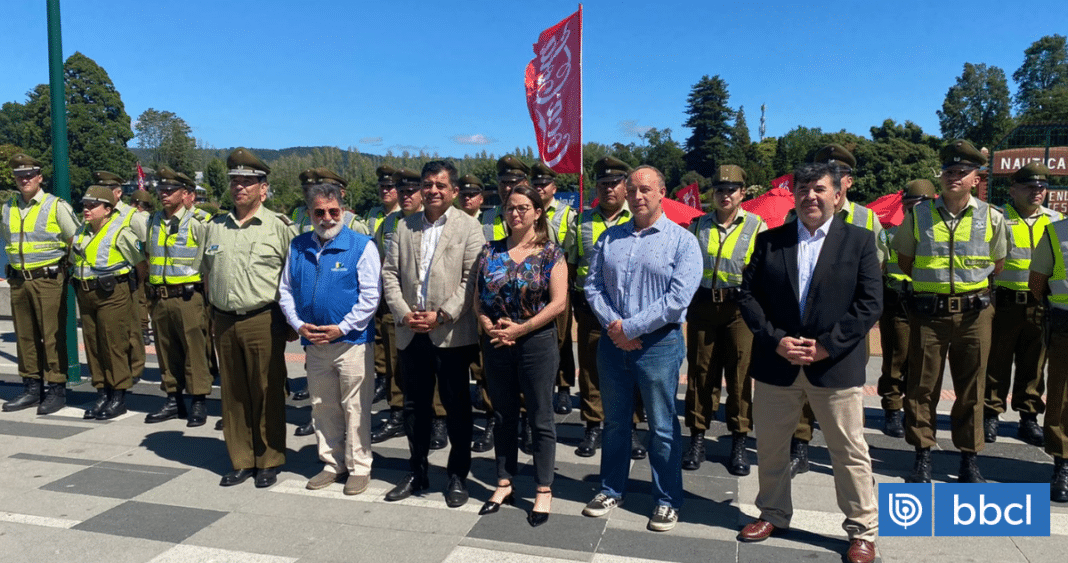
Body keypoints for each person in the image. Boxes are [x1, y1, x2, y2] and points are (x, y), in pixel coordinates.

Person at [735, 162, 881, 563]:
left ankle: (862, 530)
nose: (810, 196)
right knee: (771, 446)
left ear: (837, 194)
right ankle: (773, 513)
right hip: (778, 364)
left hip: (834, 365)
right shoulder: (771, 241)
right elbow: (747, 296)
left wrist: (826, 346)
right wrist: (776, 340)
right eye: (803, 189)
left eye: (819, 189)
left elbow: (870, 304)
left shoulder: (860, 241)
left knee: (849, 450)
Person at [581, 165, 701, 533]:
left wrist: (629, 328)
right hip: (614, 344)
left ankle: (667, 499)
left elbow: (677, 300)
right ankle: (611, 489)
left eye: (645, 189)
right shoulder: (610, 238)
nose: (638, 196)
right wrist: (615, 328)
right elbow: (592, 286)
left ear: (662, 192)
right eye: (631, 189)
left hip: (659, 345)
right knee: (615, 422)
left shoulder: (683, 242)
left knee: (662, 426)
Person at [893, 139, 1006, 484]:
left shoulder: (992, 216)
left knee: (972, 388)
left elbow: (997, 265)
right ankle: (922, 454)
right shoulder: (919, 215)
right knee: (922, 386)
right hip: (930, 313)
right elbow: (905, 261)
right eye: (948, 171)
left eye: (962, 171)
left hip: (975, 313)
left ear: (976, 178)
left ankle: (968, 459)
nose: (953, 176)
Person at [381, 160, 484, 508]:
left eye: (440, 185)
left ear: (453, 190)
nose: (433, 190)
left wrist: (442, 315)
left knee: (456, 408)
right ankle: (417, 470)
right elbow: (390, 274)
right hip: (412, 331)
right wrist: (405, 313)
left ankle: (457, 475)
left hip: (451, 333)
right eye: (428, 184)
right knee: (414, 407)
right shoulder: (404, 226)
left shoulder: (469, 228)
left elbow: (473, 279)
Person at [783, 144, 885, 476]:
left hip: (845, 329)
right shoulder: (795, 214)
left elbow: (872, 285)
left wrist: (838, 336)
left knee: (844, 403)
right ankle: (800, 444)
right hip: (801, 323)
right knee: (800, 390)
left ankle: (846, 459)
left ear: (847, 183)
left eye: (834, 176)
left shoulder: (867, 219)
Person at [474, 185, 567, 527]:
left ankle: (543, 488)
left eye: (523, 207)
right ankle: (503, 482)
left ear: (538, 212)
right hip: (498, 343)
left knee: (541, 417)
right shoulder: (489, 252)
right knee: (503, 415)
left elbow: (558, 303)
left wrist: (521, 328)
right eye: (510, 208)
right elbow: (479, 298)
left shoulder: (550, 253)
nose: (516, 214)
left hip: (535, 344)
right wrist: (487, 324)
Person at [279, 182, 380, 495]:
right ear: (310, 214)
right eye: (319, 212)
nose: (327, 217)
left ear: (343, 211)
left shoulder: (362, 246)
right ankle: (331, 464)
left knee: (357, 408)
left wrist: (344, 327)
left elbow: (371, 296)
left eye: (333, 211)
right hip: (315, 343)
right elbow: (285, 290)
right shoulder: (298, 246)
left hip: (352, 342)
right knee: (323, 407)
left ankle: (359, 467)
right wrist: (298, 324)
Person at [202, 148, 295, 488]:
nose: (239, 188)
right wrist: (213, 313)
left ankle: (269, 458)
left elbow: (292, 276)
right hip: (225, 319)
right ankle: (241, 459)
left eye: (247, 182)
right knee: (234, 393)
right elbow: (207, 273)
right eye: (235, 182)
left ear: (263, 189)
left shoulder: (279, 227)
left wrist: (290, 322)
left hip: (263, 317)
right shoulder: (215, 228)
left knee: (267, 389)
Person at [683, 165, 765, 475]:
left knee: (740, 375)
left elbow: (763, 273)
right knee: (701, 373)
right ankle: (698, 437)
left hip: (739, 311)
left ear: (743, 193)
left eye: (732, 189)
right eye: (719, 189)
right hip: (703, 307)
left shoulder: (757, 226)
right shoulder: (697, 226)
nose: (725, 194)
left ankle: (739, 441)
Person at [568, 156, 646, 460]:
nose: (609, 189)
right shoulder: (582, 221)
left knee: (631, 368)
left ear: (625, 186)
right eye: (603, 184)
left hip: (629, 310)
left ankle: (632, 427)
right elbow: (572, 262)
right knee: (590, 368)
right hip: (591, 308)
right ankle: (593, 425)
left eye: (614, 183)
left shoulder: (637, 217)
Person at [370, 168, 450, 446]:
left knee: (436, 365)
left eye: (411, 191)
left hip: (433, 308)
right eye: (401, 191)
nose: (405, 196)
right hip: (398, 306)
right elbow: (383, 266)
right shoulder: (390, 224)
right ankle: (397, 413)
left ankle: (439, 418)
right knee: (395, 363)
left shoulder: (436, 223)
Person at [985, 162, 1063, 446]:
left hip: (1040, 303)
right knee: (996, 361)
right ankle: (990, 414)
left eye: (1042, 187)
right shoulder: (997, 217)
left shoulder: (1056, 219)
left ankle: (1028, 417)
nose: (1037, 192)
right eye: (1030, 187)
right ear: (1013, 189)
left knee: (1035, 365)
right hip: (1004, 301)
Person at [1, 153, 78, 414]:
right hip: (19, 280)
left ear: (39, 177)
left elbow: (76, 242)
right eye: (19, 176)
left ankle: (56, 388)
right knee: (25, 336)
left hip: (48, 280)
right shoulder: (8, 207)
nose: (24, 180)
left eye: (29, 175)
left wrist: (69, 270)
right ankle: (32, 388)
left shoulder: (56, 206)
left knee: (52, 335)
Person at [70, 185, 147, 420]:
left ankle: (118, 395)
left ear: (107, 209)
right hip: (86, 293)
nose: (87, 209)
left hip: (112, 293)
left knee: (114, 344)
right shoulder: (82, 231)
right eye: (85, 205)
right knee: (93, 345)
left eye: (93, 205)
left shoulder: (121, 232)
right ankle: (102, 392)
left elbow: (141, 265)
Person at [143, 166, 212, 427]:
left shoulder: (199, 222)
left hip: (188, 296)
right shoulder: (153, 221)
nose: (164, 194)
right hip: (160, 296)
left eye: (170, 190)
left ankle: (198, 401)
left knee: (194, 350)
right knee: (166, 349)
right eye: (161, 190)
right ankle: (173, 399)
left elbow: (207, 263)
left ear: (186, 194)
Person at [876, 179, 936, 438]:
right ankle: (892, 409)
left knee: (923, 363)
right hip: (898, 302)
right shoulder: (890, 233)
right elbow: (878, 270)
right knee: (895, 360)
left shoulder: (937, 235)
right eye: (912, 205)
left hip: (930, 304)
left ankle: (917, 412)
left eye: (923, 205)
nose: (917, 210)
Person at [529, 161, 577, 416]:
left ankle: (564, 388)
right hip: (531, 286)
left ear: (554, 187)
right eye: (535, 184)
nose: (540, 188)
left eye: (544, 184)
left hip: (557, 284)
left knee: (561, 338)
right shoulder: (528, 212)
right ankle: (543, 386)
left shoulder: (567, 214)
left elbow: (571, 252)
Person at [1028, 215, 1068, 502]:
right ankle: (1062, 465)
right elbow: (1037, 281)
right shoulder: (1056, 232)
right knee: (1061, 396)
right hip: (1066, 325)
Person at [367, 165, 400, 405]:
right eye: (382, 187)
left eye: (390, 187)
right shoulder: (374, 215)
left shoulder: (404, 217)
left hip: (397, 289)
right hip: (374, 284)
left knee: (394, 343)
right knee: (378, 336)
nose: (385, 191)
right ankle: (381, 377)